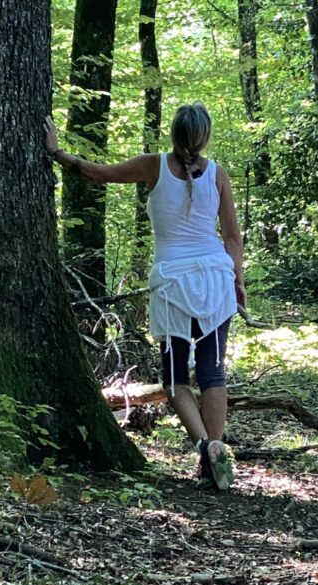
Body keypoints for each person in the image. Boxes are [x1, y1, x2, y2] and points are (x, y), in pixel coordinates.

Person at [44, 102, 245, 490]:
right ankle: (215, 456)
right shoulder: (218, 174)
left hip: (173, 284)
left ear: (173, 134)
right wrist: (238, 281)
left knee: (174, 378)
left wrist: (57, 153)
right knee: (212, 372)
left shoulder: (153, 166)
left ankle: (205, 448)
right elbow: (233, 237)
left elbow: (98, 175)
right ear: (204, 137)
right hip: (216, 279)